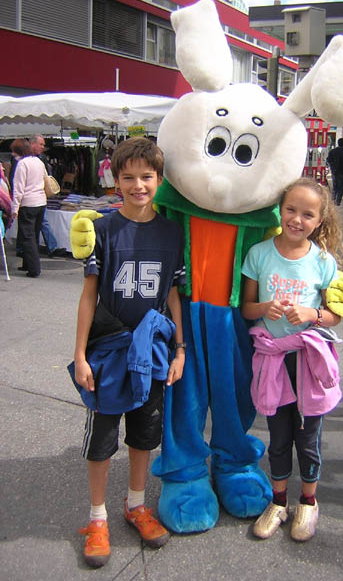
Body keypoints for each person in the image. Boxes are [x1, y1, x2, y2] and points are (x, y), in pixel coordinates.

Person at [73, 138, 186, 567]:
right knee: (102, 439)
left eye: (146, 177)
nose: (138, 185)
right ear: (115, 181)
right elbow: (88, 296)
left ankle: (136, 504)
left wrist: (180, 350)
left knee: (144, 434)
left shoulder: (172, 232)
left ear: (160, 180)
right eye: (128, 177)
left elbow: (173, 294)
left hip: (152, 351)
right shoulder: (102, 230)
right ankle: (97, 518)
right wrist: (80, 355)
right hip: (107, 350)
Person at [241, 178, 343, 542]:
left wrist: (312, 314)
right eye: (291, 210)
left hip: (309, 361)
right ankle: (279, 501)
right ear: (279, 210)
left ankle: (308, 502)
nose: (297, 220)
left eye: (308, 214)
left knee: (309, 438)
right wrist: (264, 308)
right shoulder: (259, 254)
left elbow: (335, 314)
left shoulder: (324, 261)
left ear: (320, 220)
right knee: (279, 436)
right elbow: (246, 308)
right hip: (273, 360)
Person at [10, 138, 47, 278]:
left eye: (14, 151)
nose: (13, 154)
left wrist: (15, 208)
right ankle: (27, 263)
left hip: (28, 203)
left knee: (27, 236)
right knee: (34, 235)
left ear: (18, 151)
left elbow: (18, 188)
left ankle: (34, 268)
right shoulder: (39, 161)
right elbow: (46, 179)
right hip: (41, 201)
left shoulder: (22, 164)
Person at [29, 134, 65, 257]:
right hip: (29, 198)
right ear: (32, 144)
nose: (42, 147)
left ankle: (49, 247)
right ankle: (27, 249)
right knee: (32, 225)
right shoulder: (23, 160)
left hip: (40, 197)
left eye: (43, 145)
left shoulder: (42, 158)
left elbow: (47, 177)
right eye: (41, 144)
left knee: (41, 222)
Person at [326, 137, 343, 206]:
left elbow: (328, 160)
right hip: (342, 172)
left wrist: (331, 166)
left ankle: (333, 198)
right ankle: (338, 201)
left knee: (335, 185)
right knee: (341, 187)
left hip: (334, 171)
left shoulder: (332, 151)